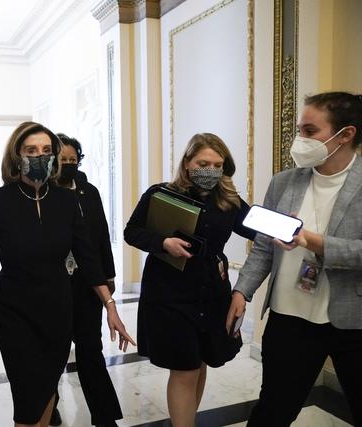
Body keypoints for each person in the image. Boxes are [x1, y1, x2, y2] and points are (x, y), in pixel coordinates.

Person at [0, 121, 135, 427]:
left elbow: (87, 257)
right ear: (17, 155)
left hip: (59, 308)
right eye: (31, 150)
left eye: (46, 150)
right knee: (27, 397)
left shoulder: (67, 201)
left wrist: (110, 306)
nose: (39, 156)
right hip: (15, 311)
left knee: (46, 391)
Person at [226, 91, 362, 426]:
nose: (300, 139)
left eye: (310, 131)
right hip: (289, 318)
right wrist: (242, 291)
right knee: (273, 409)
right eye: (299, 130)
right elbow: (262, 246)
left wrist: (316, 243)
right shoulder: (285, 181)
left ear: (345, 135)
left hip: (351, 321)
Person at [124, 133, 255, 427]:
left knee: (201, 360)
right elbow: (132, 232)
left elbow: (259, 231)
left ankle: (187, 421)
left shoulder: (230, 202)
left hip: (212, 292)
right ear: (187, 163)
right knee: (184, 368)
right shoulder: (160, 194)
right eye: (203, 163)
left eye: (217, 165)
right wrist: (163, 242)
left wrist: (288, 227)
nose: (210, 170)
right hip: (169, 292)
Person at [50, 133, 122, 427]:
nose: (67, 164)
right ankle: (48, 406)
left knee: (91, 351)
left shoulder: (88, 191)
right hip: (52, 285)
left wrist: (108, 275)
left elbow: (102, 235)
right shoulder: (42, 192)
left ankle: (104, 417)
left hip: (87, 283)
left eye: (72, 160)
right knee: (52, 354)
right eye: (62, 160)